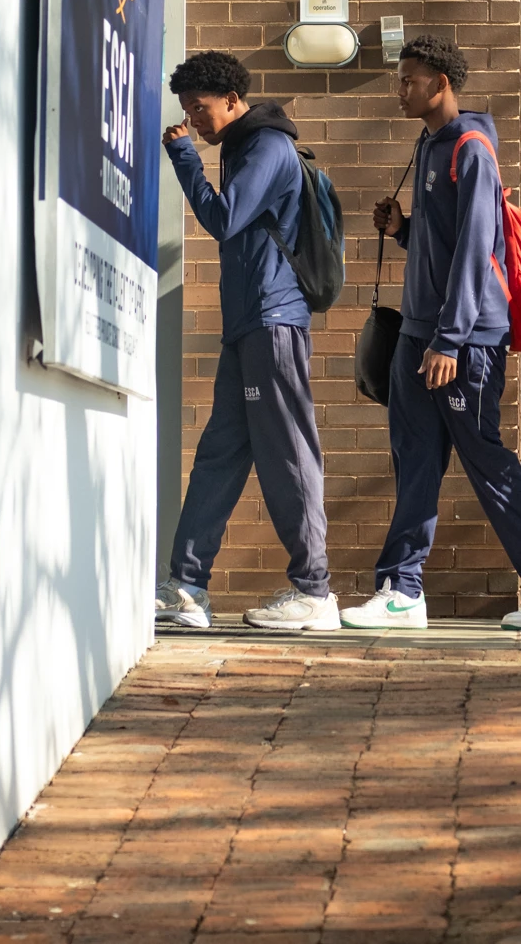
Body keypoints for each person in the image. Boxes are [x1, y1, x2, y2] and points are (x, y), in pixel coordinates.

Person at [355, 35, 521, 630]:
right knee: (415, 460)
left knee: (486, 460)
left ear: (440, 83)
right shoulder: (429, 145)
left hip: (464, 341)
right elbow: (444, 244)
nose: (399, 89)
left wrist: (451, 341)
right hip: (418, 333)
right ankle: (402, 590)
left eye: (409, 79)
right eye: (399, 79)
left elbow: (478, 250)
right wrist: (405, 229)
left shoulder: (471, 147)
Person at [156, 51, 337, 631]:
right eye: (186, 110)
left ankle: (315, 592)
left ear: (233, 100)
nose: (193, 119)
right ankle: (187, 586)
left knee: (287, 453)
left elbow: (224, 218)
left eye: (200, 108)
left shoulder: (266, 148)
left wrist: (184, 157)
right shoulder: (243, 148)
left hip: (273, 321)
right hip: (247, 326)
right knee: (218, 456)